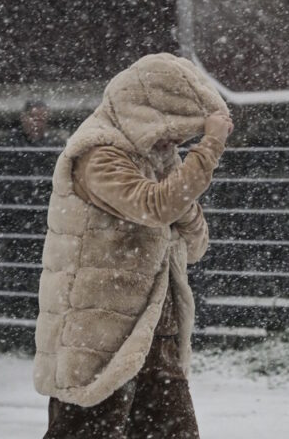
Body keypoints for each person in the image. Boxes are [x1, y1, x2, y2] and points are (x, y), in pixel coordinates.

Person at [34, 53, 234, 438]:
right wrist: (208, 149)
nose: (174, 141)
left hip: (154, 332)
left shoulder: (158, 159)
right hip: (98, 339)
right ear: (148, 111)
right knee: (87, 432)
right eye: (173, 128)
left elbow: (194, 243)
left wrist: (181, 201)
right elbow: (153, 206)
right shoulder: (98, 155)